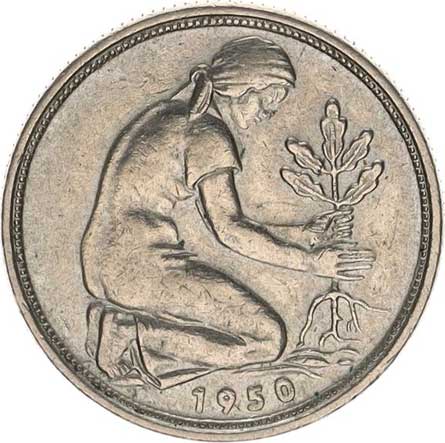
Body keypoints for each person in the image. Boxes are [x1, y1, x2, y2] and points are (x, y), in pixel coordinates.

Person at [81, 36, 373, 389]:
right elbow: (229, 229)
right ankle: (129, 334)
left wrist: (301, 234)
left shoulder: (170, 113)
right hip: (136, 266)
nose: (267, 114)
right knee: (266, 339)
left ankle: (127, 334)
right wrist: (311, 263)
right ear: (242, 87)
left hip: (105, 259)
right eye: (266, 101)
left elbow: (219, 220)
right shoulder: (208, 132)